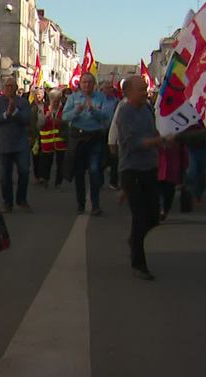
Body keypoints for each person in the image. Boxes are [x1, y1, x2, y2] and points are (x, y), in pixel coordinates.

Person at [114, 75, 164, 279]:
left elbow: (153, 132)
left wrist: (161, 142)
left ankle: (135, 240)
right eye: (141, 89)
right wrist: (155, 142)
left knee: (153, 217)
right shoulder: (125, 112)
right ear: (128, 93)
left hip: (149, 168)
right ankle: (139, 264)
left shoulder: (147, 109)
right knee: (140, 216)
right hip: (131, 169)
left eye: (146, 89)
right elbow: (131, 142)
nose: (146, 92)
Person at [63, 73, 114, 216]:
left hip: (95, 137)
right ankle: (81, 203)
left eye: (89, 82)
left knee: (94, 170)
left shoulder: (100, 97)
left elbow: (106, 117)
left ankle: (96, 204)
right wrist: (77, 111)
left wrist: (94, 110)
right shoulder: (73, 98)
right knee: (79, 173)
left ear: (94, 84)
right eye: (84, 82)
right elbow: (65, 117)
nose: (86, 85)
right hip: (78, 138)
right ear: (80, 84)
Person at [0, 77, 33, 213]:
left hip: (20, 144)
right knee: (4, 176)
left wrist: (15, 112)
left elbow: (27, 119)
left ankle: (21, 199)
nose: (9, 88)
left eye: (12, 86)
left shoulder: (23, 102)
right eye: (7, 86)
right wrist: (6, 114)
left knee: (24, 172)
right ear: (3, 88)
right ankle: (7, 202)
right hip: (4, 144)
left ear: (16, 88)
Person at [37, 88, 68, 187]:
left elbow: (67, 123)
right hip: (47, 141)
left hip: (60, 141)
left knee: (61, 162)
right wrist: (45, 118)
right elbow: (39, 125)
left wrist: (61, 122)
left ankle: (58, 181)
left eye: (57, 100)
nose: (55, 102)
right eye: (53, 100)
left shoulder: (64, 109)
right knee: (46, 161)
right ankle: (45, 178)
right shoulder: (44, 109)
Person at [100, 79, 121, 189]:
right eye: (107, 87)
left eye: (111, 87)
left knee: (114, 158)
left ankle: (113, 181)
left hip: (112, 131)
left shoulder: (116, 101)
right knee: (101, 156)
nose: (110, 89)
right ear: (102, 89)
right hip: (100, 132)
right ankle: (99, 179)